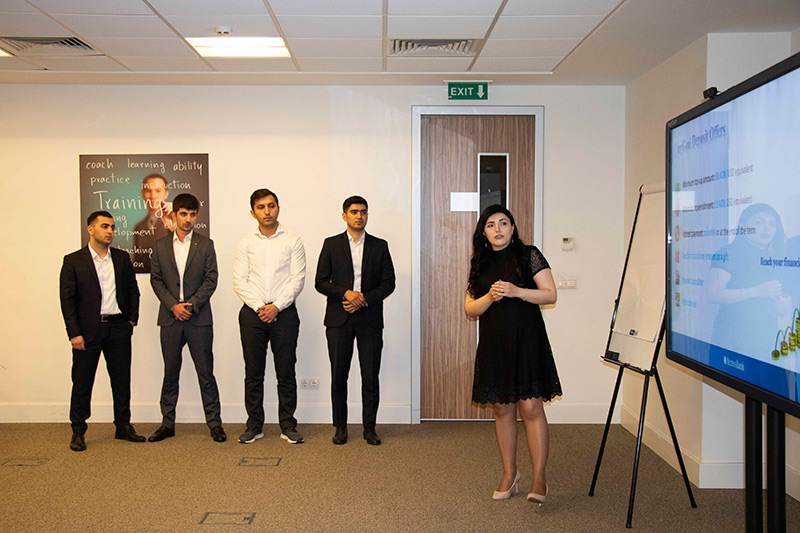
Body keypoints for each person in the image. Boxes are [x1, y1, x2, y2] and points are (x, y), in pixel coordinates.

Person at [464, 204, 561, 503]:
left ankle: (539, 478)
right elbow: (470, 309)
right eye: (491, 224)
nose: (498, 229)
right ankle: (510, 474)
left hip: (528, 341)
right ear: (484, 232)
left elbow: (550, 294)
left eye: (504, 223)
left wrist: (517, 291)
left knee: (531, 408)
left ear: (513, 228)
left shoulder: (529, 254)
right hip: (495, 344)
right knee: (502, 409)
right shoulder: (480, 262)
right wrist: (489, 297)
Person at [59, 210, 144, 451]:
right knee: (82, 381)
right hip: (87, 331)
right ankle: (78, 431)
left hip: (118, 327)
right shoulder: (73, 261)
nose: (110, 231)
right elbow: (67, 300)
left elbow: (133, 291)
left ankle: (123, 426)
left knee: (121, 379)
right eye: (105, 226)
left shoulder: (121, 258)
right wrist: (74, 333)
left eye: (112, 227)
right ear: (91, 229)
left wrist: (131, 321)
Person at [315, 196, 396, 446]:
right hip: (339, 319)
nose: (359, 216)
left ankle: (369, 427)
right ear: (344, 216)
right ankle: (340, 427)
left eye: (363, 212)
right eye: (354, 212)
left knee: (370, 376)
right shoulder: (331, 244)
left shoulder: (380, 246)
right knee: (339, 375)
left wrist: (364, 299)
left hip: (369, 319)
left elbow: (389, 283)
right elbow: (320, 282)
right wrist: (346, 294)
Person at [149, 193, 226, 443]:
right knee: (170, 373)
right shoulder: (160, 246)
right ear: (174, 215)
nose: (188, 219)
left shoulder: (206, 245)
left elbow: (211, 279)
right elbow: (156, 281)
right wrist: (174, 306)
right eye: (183, 214)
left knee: (206, 373)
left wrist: (190, 305)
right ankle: (167, 424)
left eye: (193, 214)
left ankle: (215, 424)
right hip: (170, 318)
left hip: (198, 318)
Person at [233, 189, 306, 444]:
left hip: (284, 314)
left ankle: (288, 425)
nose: (267, 211)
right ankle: (254, 425)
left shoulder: (293, 240)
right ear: (253, 212)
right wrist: (259, 307)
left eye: (272, 205)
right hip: (252, 314)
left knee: (286, 372)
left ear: (278, 208)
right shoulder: (246, 243)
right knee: (253, 373)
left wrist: (276, 306)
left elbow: (297, 279)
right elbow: (239, 281)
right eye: (261, 207)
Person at [708, 203, 790, 359]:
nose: (767, 228)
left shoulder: (773, 258)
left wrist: (781, 303)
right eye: (759, 222)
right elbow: (713, 294)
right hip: (734, 337)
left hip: (766, 337)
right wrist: (756, 291)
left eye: (772, 224)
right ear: (743, 226)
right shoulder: (728, 253)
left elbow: (779, 307)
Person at [133, 173, 173, 272]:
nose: (153, 196)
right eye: (148, 191)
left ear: (166, 193)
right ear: (143, 193)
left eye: (158, 191)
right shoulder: (138, 227)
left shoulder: (175, 222)